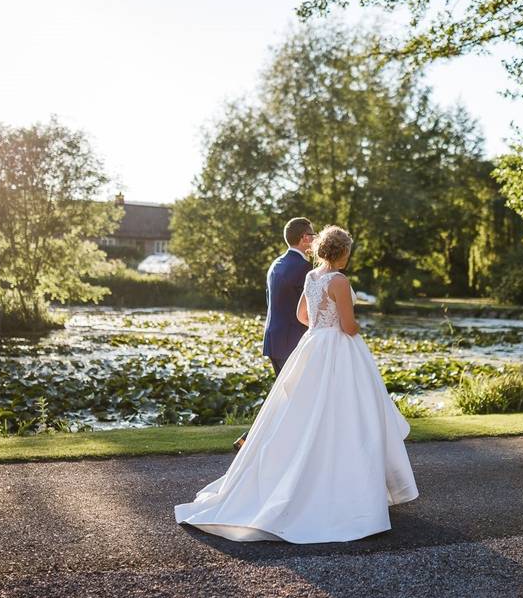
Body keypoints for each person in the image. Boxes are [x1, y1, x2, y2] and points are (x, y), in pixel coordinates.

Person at [176, 225, 419, 543]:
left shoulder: (312, 277)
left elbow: (303, 315)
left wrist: (322, 325)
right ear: (342, 251)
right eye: (348, 250)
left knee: (306, 415)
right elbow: (347, 325)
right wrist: (356, 325)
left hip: (312, 346)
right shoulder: (339, 280)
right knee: (349, 415)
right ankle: (348, 491)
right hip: (338, 351)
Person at [232, 217, 315, 451]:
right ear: (304, 238)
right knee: (290, 397)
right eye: (313, 234)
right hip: (292, 341)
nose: (315, 239)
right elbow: (307, 310)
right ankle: (254, 441)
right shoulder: (304, 269)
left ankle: (261, 443)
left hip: (274, 338)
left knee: (285, 397)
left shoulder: (276, 264)